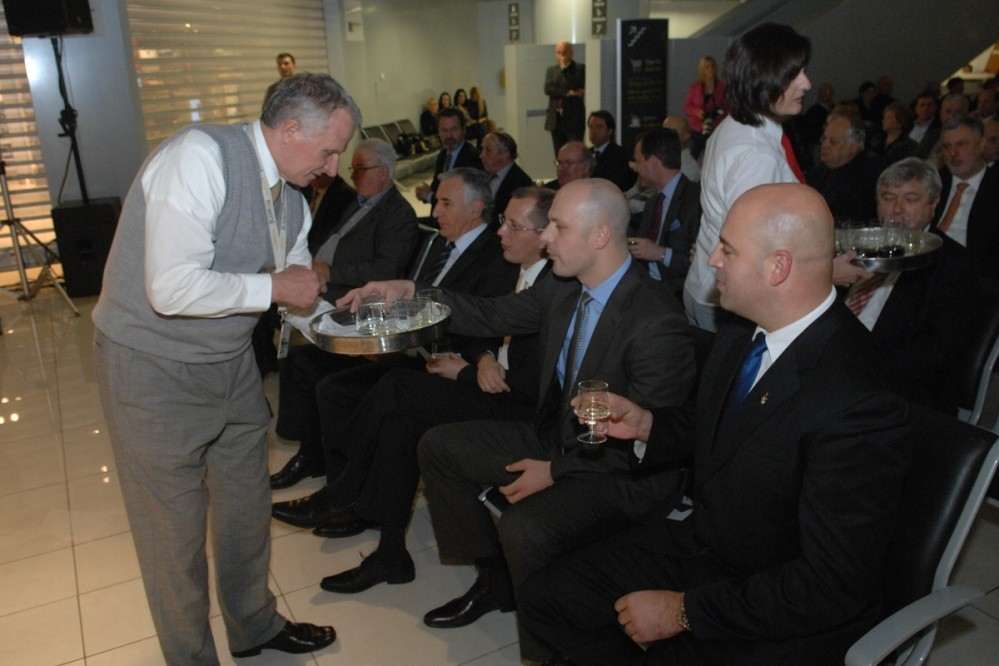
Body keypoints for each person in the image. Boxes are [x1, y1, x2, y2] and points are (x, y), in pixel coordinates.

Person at [518, 183, 912, 666]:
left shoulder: (860, 397)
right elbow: (716, 427)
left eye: (727, 249)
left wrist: (683, 612)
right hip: (713, 546)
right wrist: (646, 425)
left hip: (781, 599)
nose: (712, 261)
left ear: (778, 267)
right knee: (548, 598)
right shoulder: (740, 332)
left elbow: (830, 583)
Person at [338, 179, 696, 663]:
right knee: (439, 447)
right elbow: (488, 314)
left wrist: (556, 471)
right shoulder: (564, 288)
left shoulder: (656, 320)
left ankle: (548, 649)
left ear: (600, 236)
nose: (545, 237)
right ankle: (495, 582)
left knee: (525, 527)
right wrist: (410, 291)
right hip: (560, 439)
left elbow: (650, 444)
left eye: (558, 227)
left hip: (620, 472)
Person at [91, 73, 352, 664]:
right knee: (173, 536)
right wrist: (276, 287)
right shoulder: (198, 158)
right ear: (291, 129)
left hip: (230, 365)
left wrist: (351, 323)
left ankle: (254, 626)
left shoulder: (291, 200)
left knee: (245, 511)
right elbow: (171, 289)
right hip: (151, 367)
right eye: (329, 151)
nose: (333, 168)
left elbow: (294, 297)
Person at [315, 188, 552, 594]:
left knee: (397, 388)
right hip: (488, 383)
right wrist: (483, 358)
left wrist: (467, 373)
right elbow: (485, 325)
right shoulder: (512, 269)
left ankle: (345, 491)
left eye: (514, 227)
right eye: (503, 222)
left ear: (546, 236)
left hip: (517, 407)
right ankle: (390, 552)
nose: (500, 233)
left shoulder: (552, 287)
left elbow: (536, 383)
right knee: (400, 422)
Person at [271, 167, 516, 491]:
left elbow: (482, 318)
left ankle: (346, 486)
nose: (435, 211)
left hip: (439, 355)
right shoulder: (437, 244)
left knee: (341, 389)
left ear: (476, 209)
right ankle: (317, 461)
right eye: (437, 202)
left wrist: (476, 357)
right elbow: (406, 296)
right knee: (306, 360)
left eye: (446, 203)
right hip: (407, 343)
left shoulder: (495, 257)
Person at [683, 23, 869, 331]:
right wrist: (827, 272)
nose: (806, 83)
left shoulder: (739, 124)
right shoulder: (756, 153)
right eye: (794, 74)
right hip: (731, 299)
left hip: (711, 286)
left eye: (804, 71)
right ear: (764, 78)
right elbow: (753, 250)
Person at [849, 157, 979, 414]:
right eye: (887, 197)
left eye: (910, 199)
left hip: (901, 395)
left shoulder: (954, 265)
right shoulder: (864, 246)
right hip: (844, 366)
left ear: (933, 204)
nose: (896, 209)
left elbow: (935, 355)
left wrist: (856, 366)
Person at [310, 138, 418, 301]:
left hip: (348, 292)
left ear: (383, 173)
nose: (353, 176)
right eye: (353, 169)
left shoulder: (399, 214)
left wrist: (330, 273)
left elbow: (385, 271)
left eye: (361, 169)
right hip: (321, 276)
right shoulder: (358, 201)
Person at [628, 127, 702, 296]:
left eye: (638, 162)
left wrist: (661, 254)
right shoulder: (653, 203)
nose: (636, 169)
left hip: (680, 293)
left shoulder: (696, 200)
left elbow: (702, 263)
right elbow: (641, 248)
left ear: (653, 162)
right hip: (648, 288)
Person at [933, 115, 999, 287]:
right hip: (928, 271)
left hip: (977, 279)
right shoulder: (933, 183)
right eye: (947, 146)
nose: (953, 154)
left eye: (961, 144)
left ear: (981, 145)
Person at [807, 111, 881, 222]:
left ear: (854, 146)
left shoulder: (869, 173)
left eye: (833, 142)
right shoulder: (816, 172)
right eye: (824, 139)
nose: (824, 145)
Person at [414, 107, 482, 206]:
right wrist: (424, 192)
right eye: (444, 130)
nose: (449, 135)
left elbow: (460, 203)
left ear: (463, 130)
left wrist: (429, 196)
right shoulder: (443, 154)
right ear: (438, 132)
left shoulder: (472, 158)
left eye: (454, 129)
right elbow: (437, 188)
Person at [480, 131, 534, 223]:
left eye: (488, 150)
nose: (481, 155)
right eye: (482, 149)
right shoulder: (484, 175)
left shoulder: (521, 183)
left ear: (505, 154)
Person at [544, 41, 586, 156]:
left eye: (564, 52)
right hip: (555, 118)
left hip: (574, 119)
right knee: (558, 152)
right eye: (558, 53)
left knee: (575, 152)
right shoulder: (551, 70)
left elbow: (579, 86)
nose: (561, 56)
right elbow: (548, 89)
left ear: (571, 53)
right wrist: (568, 93)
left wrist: (564, 72)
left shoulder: (580, 68)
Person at [587, 110, 635, 191]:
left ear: (610, 131)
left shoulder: (620, 154)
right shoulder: (585, 153)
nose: (594, 131)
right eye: (591, 127)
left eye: (599, 127)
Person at [683, 55, 726, 135]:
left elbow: (727, 107)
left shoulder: (722, 87)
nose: (711, 69)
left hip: (717, 128)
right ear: (702, 70)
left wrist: (720, 114)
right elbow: (687, 107)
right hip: (698, 128)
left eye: (713, 66)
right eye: (707, 67)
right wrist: (697, 112)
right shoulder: (695, 87)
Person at [662, 115, 702, 182]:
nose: (664, 136)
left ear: (686, 136)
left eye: (671, 131)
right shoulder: (659, 157)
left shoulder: (689, 167)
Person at [880, 101, 918, 166]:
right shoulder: (876, 140)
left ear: (900, 122)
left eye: (889, 117)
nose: (883, 120)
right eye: (884, 117)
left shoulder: (909, 146)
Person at [909, 92, 940, 159]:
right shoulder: (908, 125)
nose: (926, 108)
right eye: (922, 105)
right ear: (916, 108)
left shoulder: (939, 128)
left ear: (935, 107)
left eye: (929, 105)